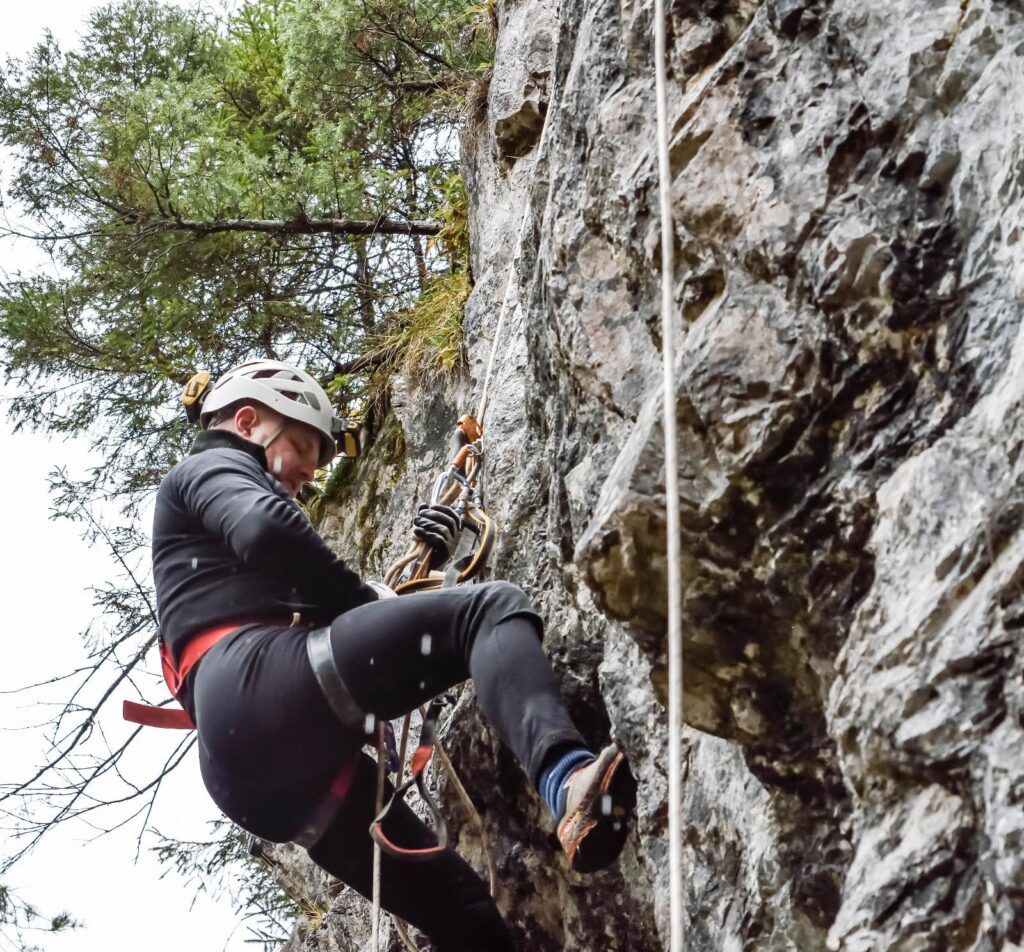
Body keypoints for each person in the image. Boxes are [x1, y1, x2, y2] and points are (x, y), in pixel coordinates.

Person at [151, 360, 636, 951]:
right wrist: (362, 603)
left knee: (466, 919)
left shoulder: (204, 561)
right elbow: (267, 531)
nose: (308, 473)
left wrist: (369, 607)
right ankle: (567, 778)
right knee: (488, 610)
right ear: (248, 421)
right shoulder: (210, 463)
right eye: (303, 445)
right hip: (257, 687)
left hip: (252, 773)